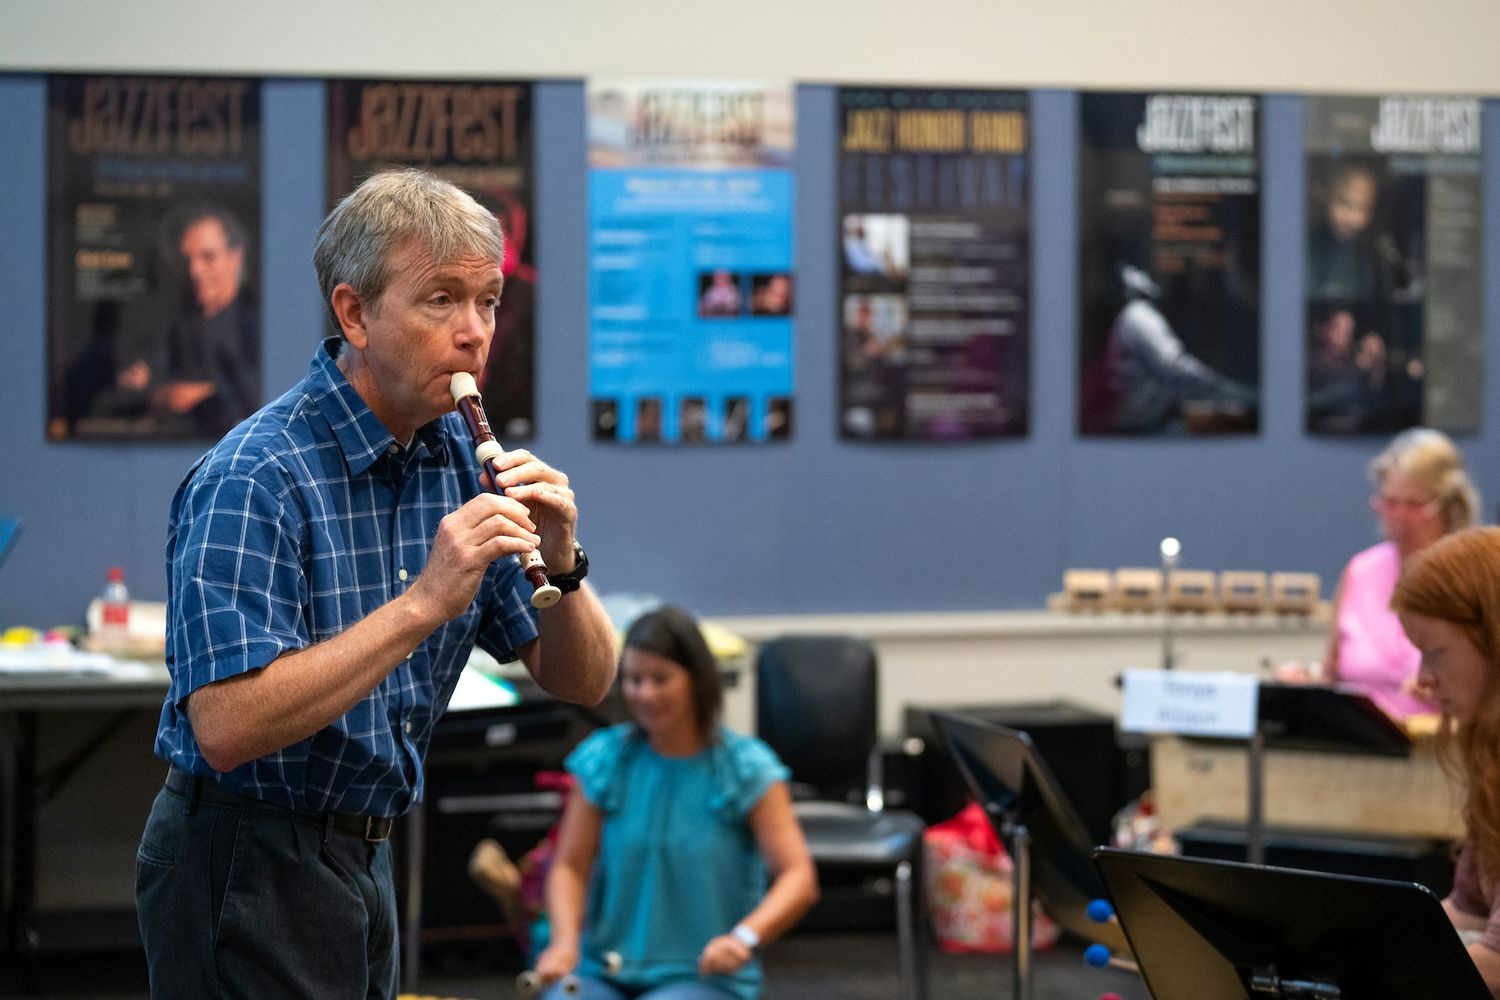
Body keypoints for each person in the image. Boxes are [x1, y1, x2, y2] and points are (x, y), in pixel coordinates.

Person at [134, 168, 618, 999]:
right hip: (246, 853)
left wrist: (565, 559)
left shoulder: (462, 463)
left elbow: (584, 678)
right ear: (354, 313)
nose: (474, 333)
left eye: (489, 302)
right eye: (440, 300)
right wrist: (426, 603)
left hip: (368, 846)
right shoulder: (258, 474)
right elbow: (224, 723)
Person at [532, 606, 819, 1000]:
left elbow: (798, 877)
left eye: (660, 679)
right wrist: (564, 943)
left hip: (704, 976)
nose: (645, 693)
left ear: (697, 681)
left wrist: (744, 938)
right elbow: (569, 865)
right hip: (604, 969)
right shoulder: (604, 759)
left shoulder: (746, 768)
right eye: (634, 679)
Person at [1278, 427, 1479, 719]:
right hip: (1364, 749)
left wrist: (1449, 689)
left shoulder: (1478, 574)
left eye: (1413, 505)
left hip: (1445, 749)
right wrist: (1304, 679)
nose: (1397, 518)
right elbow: (1331, 676)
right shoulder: (1361, 571)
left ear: (1449, 505)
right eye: (1389, 503)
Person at [1389, 526, 1500, 994]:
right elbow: (1468, 910)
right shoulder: (1491, 750)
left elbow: (1494, 965)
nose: (1423, 680)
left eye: (1435, 654)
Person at [120, 205, 261, 437]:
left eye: (208, 257)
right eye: (187, 260)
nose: (195, 271)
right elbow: (140, 380)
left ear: (235, 257)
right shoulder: (177, 329)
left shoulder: (254, 326)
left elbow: (258, 397)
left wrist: (204, 394)